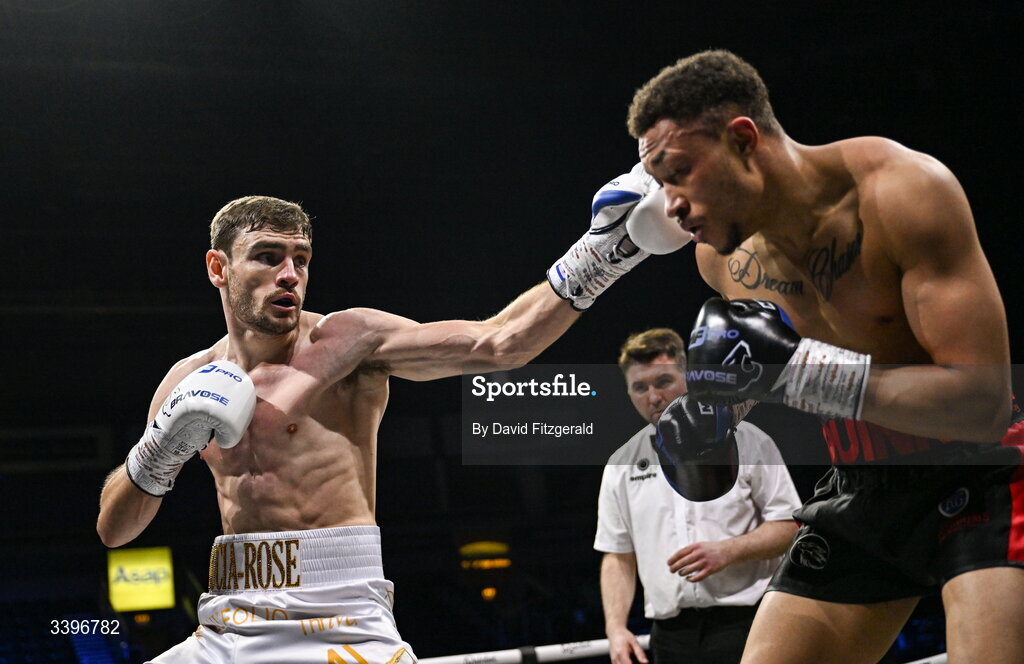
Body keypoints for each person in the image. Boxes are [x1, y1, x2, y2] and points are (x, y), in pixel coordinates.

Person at [94, 186, 659, 663]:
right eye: (268, 256)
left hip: (342, 610)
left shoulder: (347, 343)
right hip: (230, 616)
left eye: (302, 259)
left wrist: (604, 251)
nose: (290, 274)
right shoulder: (187, 379)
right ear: (218, 267)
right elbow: (114, 532)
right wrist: (159, 452)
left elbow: (499, 343)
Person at [624, 50, 1024, 664]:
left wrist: (799, 372)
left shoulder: (903, 194)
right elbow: (769, 365)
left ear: (742, 139)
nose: (671, 206)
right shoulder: (722, 259)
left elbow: (982, 404)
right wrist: (717, 419)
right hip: (860, 483)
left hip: (982, 473)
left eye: (679, 173)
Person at [596, 328, 800, 664]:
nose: (653, 397)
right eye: (640, 387)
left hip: (749, 621)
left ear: (689, 377)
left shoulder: (748, 441)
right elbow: (617, 554)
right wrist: (616, 628)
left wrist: (728, 551)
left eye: (663, 381)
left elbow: (789, 526)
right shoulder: (622, 462)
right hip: (670, 636)